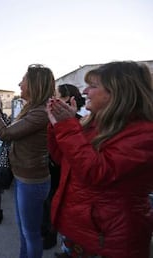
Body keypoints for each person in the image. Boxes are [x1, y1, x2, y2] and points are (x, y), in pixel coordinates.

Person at [47, 61, 153, 258]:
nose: (85, 91)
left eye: (93, 86)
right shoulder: (94, 123)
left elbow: (95, 173)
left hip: (110, 239)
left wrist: (67, 127)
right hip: (83, 230)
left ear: (118, 93)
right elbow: (64, 161)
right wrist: (57, 127)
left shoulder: (144, 134)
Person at [0, 64, 55, 258]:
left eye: (24, 80)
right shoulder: (32, 109)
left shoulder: (40, 113)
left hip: (32, 182)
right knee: (24, 233)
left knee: (30, 234)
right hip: (23, 178)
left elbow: (5, 134)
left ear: (35, 85)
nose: (20, 84)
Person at [41, 83, 86, 250]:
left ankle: (61, 241)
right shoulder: (55, 119)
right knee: (50, 203)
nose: (52, 99)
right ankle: (54, 238)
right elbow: (56, 153)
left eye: (56, 95)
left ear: (67, 98)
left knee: (59, 205)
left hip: (65, 174)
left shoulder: (81, 122)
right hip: (55, 168)